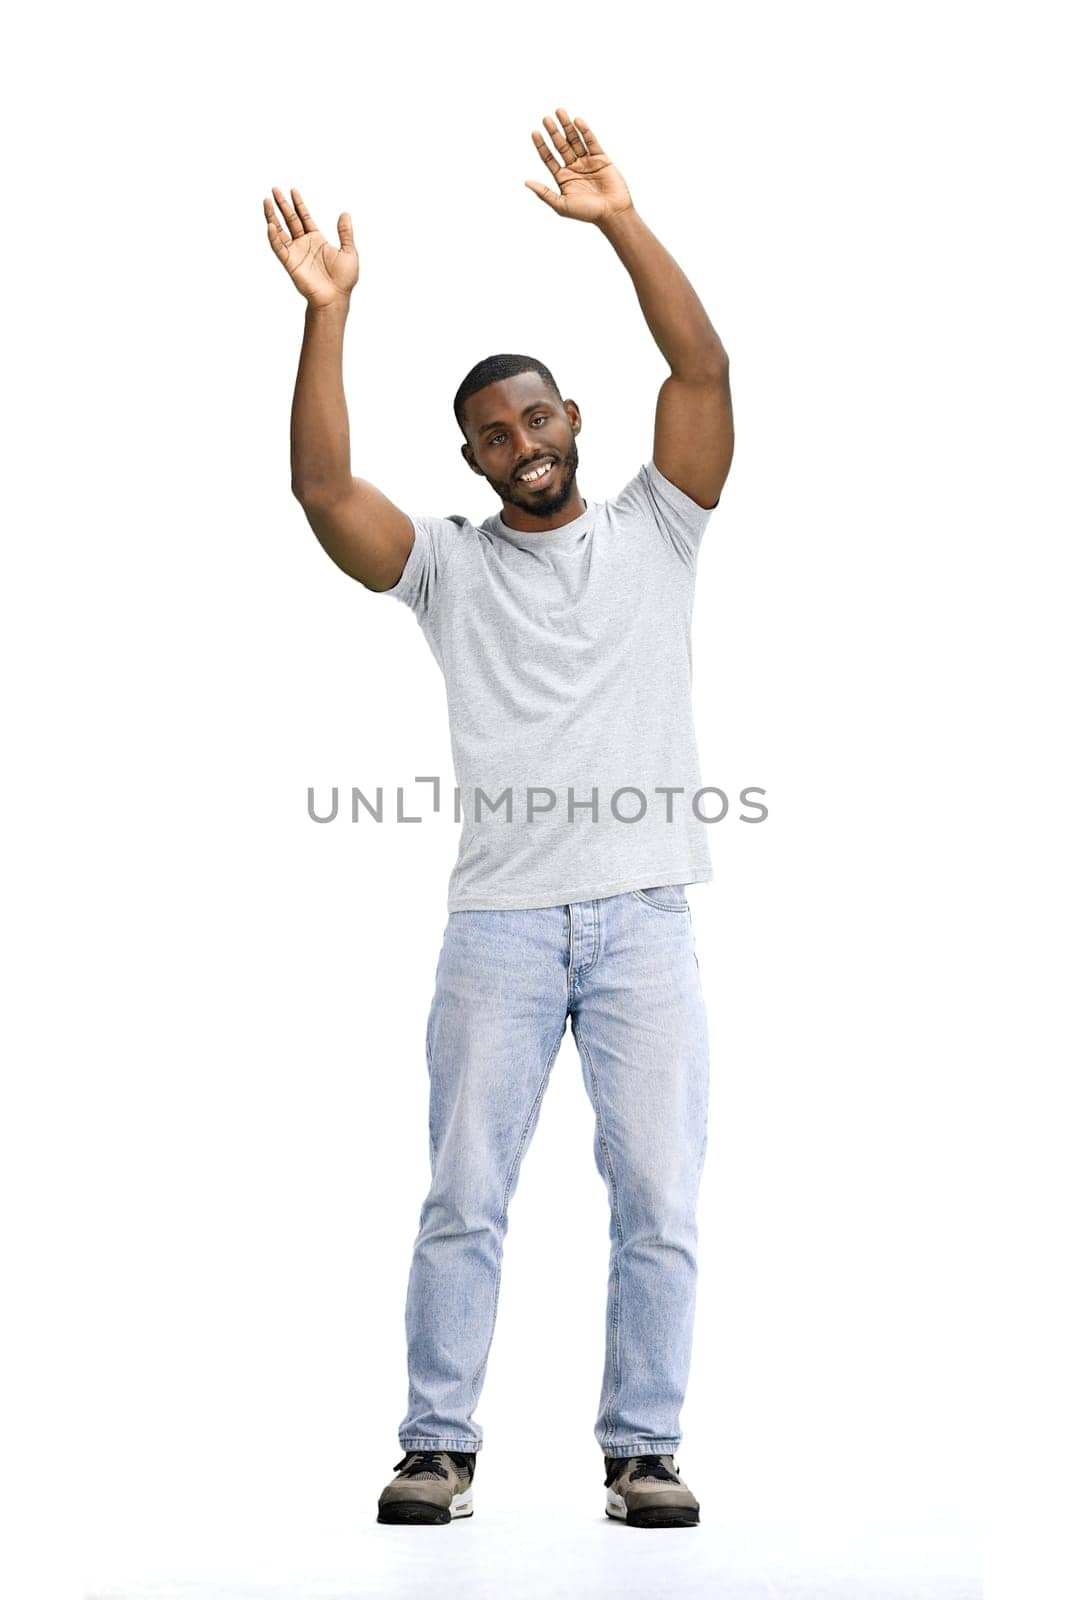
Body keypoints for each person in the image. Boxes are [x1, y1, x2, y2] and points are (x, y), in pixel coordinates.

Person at [265, 105, 734, 1530]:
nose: (521, 443)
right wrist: (329, 317)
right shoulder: (448, 570)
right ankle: (438, 1447)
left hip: (647, 920)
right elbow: (321, 486)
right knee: (464, 1198)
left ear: (572, 420)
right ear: (470, 461)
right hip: (503, 933)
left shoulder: (662, 526)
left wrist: (617, 223)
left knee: (657, 1205)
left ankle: (642, 1450)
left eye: (536, 417)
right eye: (491, 435)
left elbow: (701, 367)